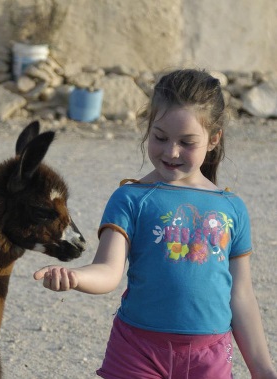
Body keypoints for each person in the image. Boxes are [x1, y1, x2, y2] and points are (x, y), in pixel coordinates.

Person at [34, 69, 277, 378]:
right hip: (137, 351)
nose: (171, 151)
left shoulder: (232, 208)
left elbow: (241, 295)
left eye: (187, 142)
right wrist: (75, 277)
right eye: (160, 137)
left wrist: (263, 369)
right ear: (148, 128)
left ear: (213, 139)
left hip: (209, 357)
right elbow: (108, 271)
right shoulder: (130, 198)